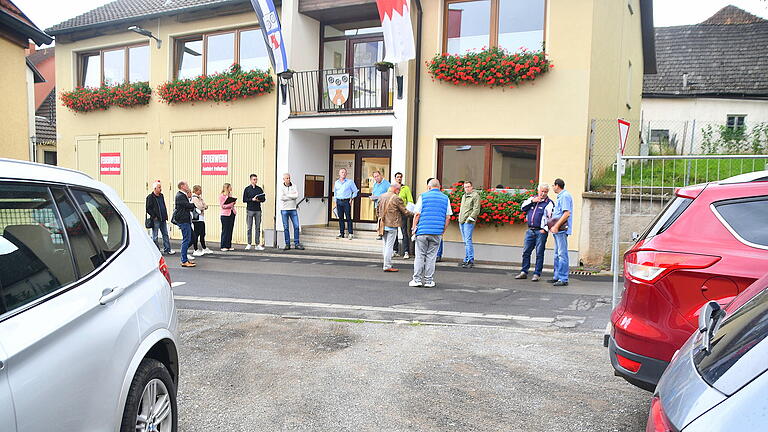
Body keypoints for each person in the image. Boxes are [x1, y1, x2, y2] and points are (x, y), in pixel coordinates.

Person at [410, 178, 451, 288]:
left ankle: (417, 280)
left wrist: (414, 228)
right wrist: (443, 230)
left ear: (429, 187)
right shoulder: (445, 198)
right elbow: (448, 217)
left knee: (419, 256)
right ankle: (428, 281)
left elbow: (417, 214)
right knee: (431, 257)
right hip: (437, 232)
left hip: (423, 231)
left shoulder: (423, 196)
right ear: (439, 187)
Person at [515, 184, 554, 281]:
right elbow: (522, 208)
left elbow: (551, 219)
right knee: (526, 252)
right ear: (538, 191)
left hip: (540, 231)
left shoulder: (549, 203)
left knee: (539, 253)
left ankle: (537, 273)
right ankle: (524, 271)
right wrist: (532, 201)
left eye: (545, 191)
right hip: (530, 230)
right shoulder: (532, 200)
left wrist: (545, 229)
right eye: (542, 191)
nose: (543, 193)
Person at [378, 184, 413, 272]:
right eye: (399, 190)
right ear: (395, 189)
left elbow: (377, 209)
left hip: (383, 223)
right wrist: (414, 214)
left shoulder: (382, 196)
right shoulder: (396, 198)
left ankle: (386, 263)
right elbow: (404, 211)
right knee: (390, 246)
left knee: (385, 245)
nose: (399, 192)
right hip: (392, 224)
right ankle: (387, 265)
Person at [550, 178, 573, 286]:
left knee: (562, 254)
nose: (553, 187)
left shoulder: (564, 196)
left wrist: (556, 225)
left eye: (553, 185)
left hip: (561, 229)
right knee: (557, 254)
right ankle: (557, 276)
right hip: (558, 229)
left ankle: (563, 279)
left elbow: (566, 213)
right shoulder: (561, 196)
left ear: (557, 185)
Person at [145, 181, 175, 255]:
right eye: (159, 187)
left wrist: (166, 215)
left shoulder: (161, 196)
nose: (160, 189)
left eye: (160, 187)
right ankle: (156, 251)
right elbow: (148, 208)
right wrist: (154, 216)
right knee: (155, 236)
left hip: (163, 218)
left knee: (165, 234)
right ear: (155, 188)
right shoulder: (150, 197)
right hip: (156, 219)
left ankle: (167, 249)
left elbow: (163, 206)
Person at [173, 181, 197, 268]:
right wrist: (193, 204)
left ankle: (184, 255)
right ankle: (184, 260)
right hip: (183, 220)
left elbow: (188, 206)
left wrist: (191, 205)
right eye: (186, 185)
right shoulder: (180, 195)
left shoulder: (183, 195)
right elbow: (187, 205)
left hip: (186, 220)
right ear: (182, 186)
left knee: (193, 237)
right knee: (186, 239)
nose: (188, 186)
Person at [457, 181, 481, 268]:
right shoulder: (464, 196)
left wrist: (469, 219)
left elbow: (476, 209)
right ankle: (466, 259)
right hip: (462, 221)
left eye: (468, 187)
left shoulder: (475, 196)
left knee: (468, 241)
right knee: (465, 241)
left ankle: (470, 260)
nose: (466, 189)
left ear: (472, 187)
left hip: (468, 221)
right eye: (465, 187)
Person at [279, 173, 304, 250]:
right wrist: (291, 196)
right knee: (286, 227)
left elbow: (296, 196)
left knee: (296, 226)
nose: (288, 179)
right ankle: (287, 244)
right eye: (286, 178)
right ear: (284, 179)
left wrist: (287, 195)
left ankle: (297, 243)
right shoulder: (281, 187)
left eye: (289, 178)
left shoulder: (294, 186)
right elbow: (282, 197)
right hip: (284, 209)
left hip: (293, 209)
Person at [393, 172, 414, 259]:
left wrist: (407, 210)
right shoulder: (392, 188)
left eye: (400, 177)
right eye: (397, 177)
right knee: (394, 232)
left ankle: (406, 251)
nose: (399, 178)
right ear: (395, 178)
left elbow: (410, 200)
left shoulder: (405, 188)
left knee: (404, 232)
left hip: (402, 213)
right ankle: (395, 250)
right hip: (394, 213)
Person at [333, 168, 358, 239]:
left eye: (344, 172)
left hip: (346, 201)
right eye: (342, 172)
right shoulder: (336, 182)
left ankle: (350, 233)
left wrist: (351, 198)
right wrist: (335, 202)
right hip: (339, 201)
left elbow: (355, 191)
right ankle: (341, 233)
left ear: (346, 174)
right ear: (339, 174)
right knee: (340, 218)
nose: (343, 173)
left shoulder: (350, 182)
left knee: (348, 217)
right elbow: (335, 192)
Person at [243, 174, 266, 250]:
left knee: (258, 227)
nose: (255, 181)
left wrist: (258, 200)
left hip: (258, 210)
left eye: (256, 179)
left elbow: (263, 199)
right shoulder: (247, 189)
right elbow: (244, 199)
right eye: (254, 179)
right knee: (249, 227)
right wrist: (251, 199)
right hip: (250, 210)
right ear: (251, 180)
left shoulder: (259, 189)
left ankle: (257, 244)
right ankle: (249, 243)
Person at [191, 185, 211, 257]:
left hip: (201, 218)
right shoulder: (194, 198)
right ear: (196, 191)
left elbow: (204, 205)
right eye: (200, 190)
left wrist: (204, 206)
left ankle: (204, 247)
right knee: (196, 234)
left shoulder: (199, 198)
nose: (201, 191)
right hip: (197, 219)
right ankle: (195, 249)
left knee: (202, 233)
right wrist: (204, 207)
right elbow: (199, 206)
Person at [370, 171, 391, 240]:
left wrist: (380, 197)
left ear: (381, 175)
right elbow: (373, 193)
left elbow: (390, 194)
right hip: (377, 205)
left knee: (383, 220)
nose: (376, 178)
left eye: (377, 176)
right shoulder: (375, 184)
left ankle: (382, 234)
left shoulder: (386, 184)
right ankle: (380, 233)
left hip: (384, 205)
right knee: (379, 220)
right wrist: (373, 197)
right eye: (375, 177)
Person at [220, 183, 237, 251]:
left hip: (231, 213)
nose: (231, 188)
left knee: (230, 229)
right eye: (230, 187)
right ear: (227, 188)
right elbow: (223, 206)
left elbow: (231, 204)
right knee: (225, 230)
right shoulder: (222, 196)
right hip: (225, 215)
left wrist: (233, 203)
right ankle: (223, 245)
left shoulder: (230, 195)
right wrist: (231, 204)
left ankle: (228, 245)